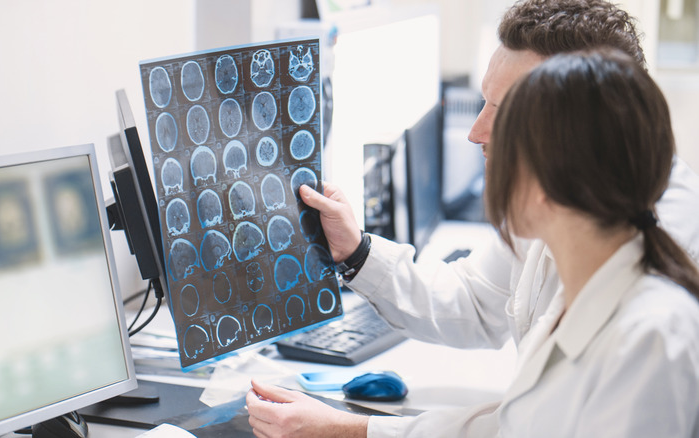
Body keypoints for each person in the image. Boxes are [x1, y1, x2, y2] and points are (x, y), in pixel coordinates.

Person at [247, 0, 699, 435]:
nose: (475, 132)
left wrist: (352, 430)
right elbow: (479, 304)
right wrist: (357, 252)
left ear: (574, 139)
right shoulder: (580, 223)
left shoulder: (652, 331)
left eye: (502, 112)